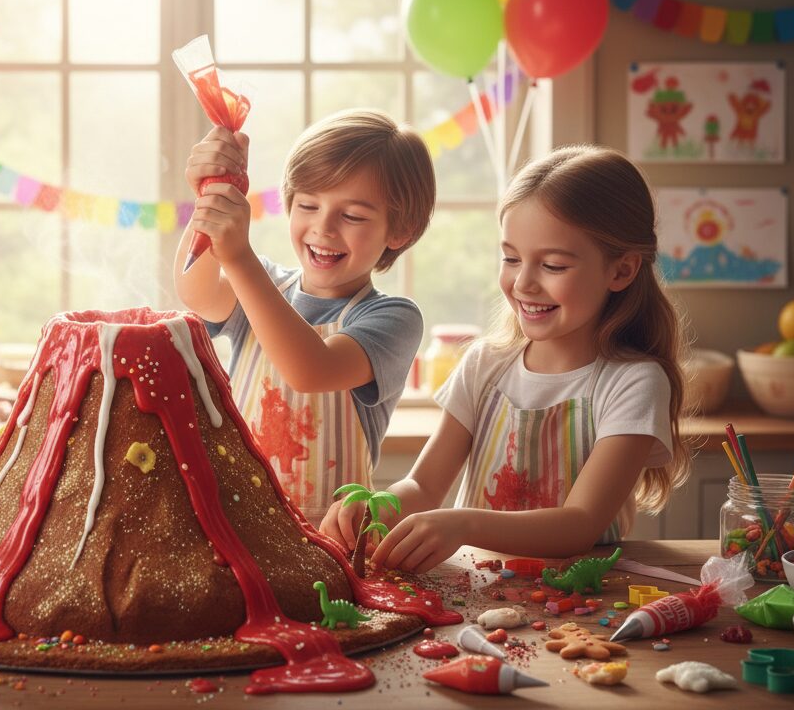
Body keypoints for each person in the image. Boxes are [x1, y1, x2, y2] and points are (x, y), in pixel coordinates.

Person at [321, 145, 691, 572]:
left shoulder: (634, 382)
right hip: (475, 595)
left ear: (621, 271)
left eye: (552, 265)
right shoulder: (485, 364)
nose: (523, 283)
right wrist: (376, 508)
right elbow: (423, 486)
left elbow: (580, 524)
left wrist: (461, 525)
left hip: (581, 602)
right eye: (511, 258)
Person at [175, 109, 437, 524]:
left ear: (400, 231)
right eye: (308, 205)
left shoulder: (393, 318)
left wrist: (240, 258)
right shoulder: (260, 285)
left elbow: (311, 369)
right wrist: (212, 198)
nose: (323, 227)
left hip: (331, 538)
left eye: (352, 215)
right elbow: (198, 292)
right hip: (241, 523)